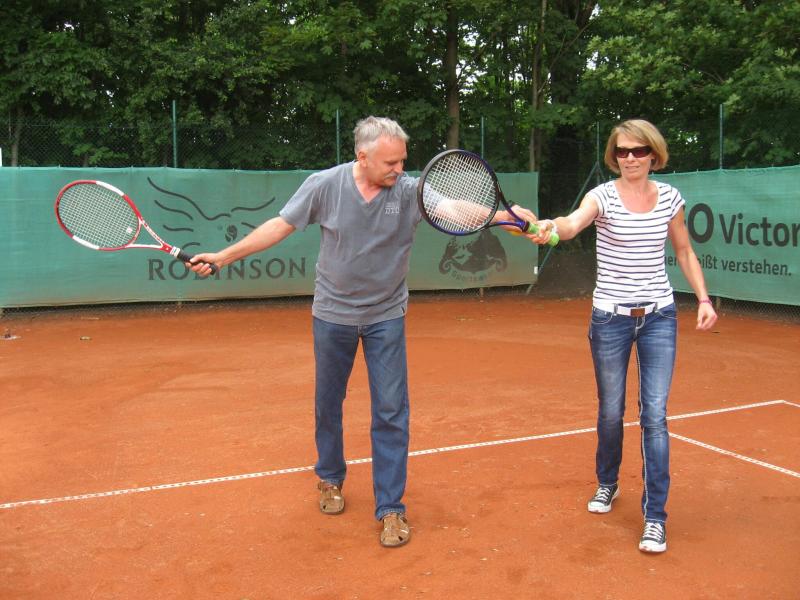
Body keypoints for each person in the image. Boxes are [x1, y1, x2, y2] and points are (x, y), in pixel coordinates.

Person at [187, 116, 537, 547]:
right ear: (363, 156)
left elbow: (453, 210)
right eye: (391, 163)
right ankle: (330, 478)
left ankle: (390, 508)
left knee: (391, 411)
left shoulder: (408, 190)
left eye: (402, 161)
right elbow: (281, 224)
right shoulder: (325, 185)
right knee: (328, 403)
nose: (399, 169)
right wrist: (224, 256)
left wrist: (503, 216)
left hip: (385, 316)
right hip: (332, 314)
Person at [528, 119, 717, 554]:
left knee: (655, 415)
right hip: (610, 320)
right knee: (611, 411)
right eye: (622, 151)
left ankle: (655, 518)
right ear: (614, 157)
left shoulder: (670, 198)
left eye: (638, 150)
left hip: (659, 318)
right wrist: (552, 228)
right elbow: (573, 223)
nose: (630, 158)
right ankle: (608, 481)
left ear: (654, 154)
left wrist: (703, 299)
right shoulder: (602, 196)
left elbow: (684, 250)